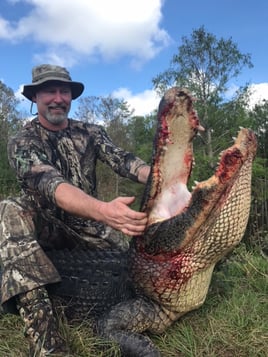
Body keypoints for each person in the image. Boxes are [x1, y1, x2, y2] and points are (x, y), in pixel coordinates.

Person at [0, 64, 150, 355]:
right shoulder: (22, 141)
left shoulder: (91, 132)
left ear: (71, 96)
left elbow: (124, 160)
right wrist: (104, 211)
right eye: (49, 91)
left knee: (132, 257)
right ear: (35, 98)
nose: (58, 98)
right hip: (47, 227)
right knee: (8, 209)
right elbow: (51, 184)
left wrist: (160, 174)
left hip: (91, 229)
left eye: (64, 91)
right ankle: (47, 342)